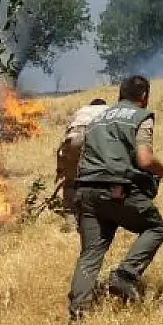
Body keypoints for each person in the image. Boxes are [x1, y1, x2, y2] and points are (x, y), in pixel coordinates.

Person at [66, 75, 163, 322]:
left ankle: (78, 314)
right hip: (116, 190)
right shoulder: (141, 116)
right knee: (155, 228)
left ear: (119, 95)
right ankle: (125, 276)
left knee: (90, 253)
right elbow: (145, 160)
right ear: (144, 97)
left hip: (85, 191)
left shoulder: (96, 120)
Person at [54, 97, 109, 231]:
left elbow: (65, 141)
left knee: (71, 182)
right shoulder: (108, 110)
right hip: (97, 137)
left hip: (74, 139)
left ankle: (71, 219)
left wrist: (61, 169)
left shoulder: (81, 111)